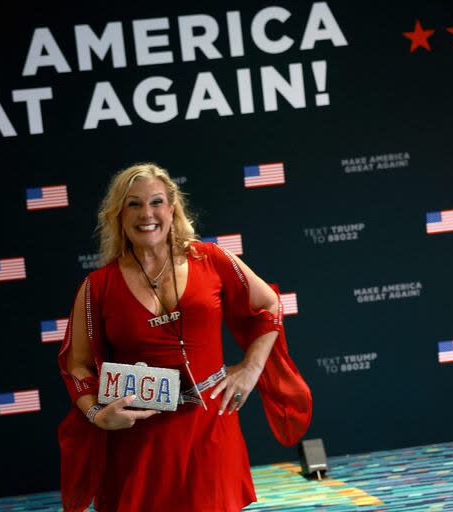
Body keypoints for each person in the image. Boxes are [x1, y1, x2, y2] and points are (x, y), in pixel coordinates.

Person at [58, 163, 312, 512]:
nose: (146, 214)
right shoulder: (97, 287)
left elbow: (270, 307)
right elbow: (77, 366)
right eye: (133, 204)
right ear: (118, 214)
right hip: (140, 437)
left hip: (210, 424)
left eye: (156, 202)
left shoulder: (212, 259)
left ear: (172, 208)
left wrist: (251, 368)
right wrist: (98, 416)